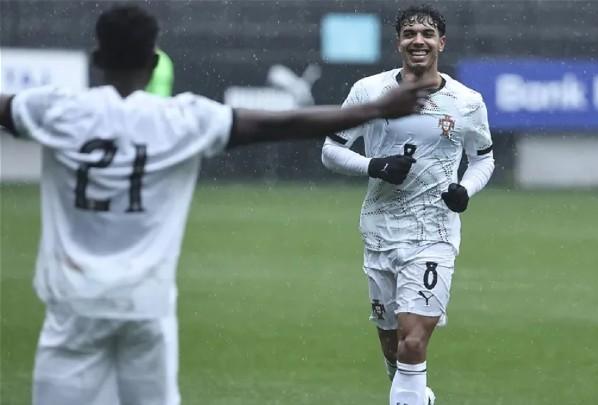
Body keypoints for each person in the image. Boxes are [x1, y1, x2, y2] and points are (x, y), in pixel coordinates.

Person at [0, 5, 433, 405]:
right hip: (144, 308)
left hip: (72, 307)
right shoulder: (181, 119)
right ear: (154, 61)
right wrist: (373, 110)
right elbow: (279, 123)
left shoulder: (57, 110)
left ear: (96, 58)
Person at [321, 5, 495, 405]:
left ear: (441, 43)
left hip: (434, 233)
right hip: (380, 230)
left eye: (427, 34)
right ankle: (418, 396)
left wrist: (465, 189)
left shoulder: (466, 102)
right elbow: (330, 149)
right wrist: (375, 165)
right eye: (410, 33)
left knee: (413, 341)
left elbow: (484, 158)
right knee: (393, 346)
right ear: (398, 42)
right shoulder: (369, 91)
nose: (419, 40)